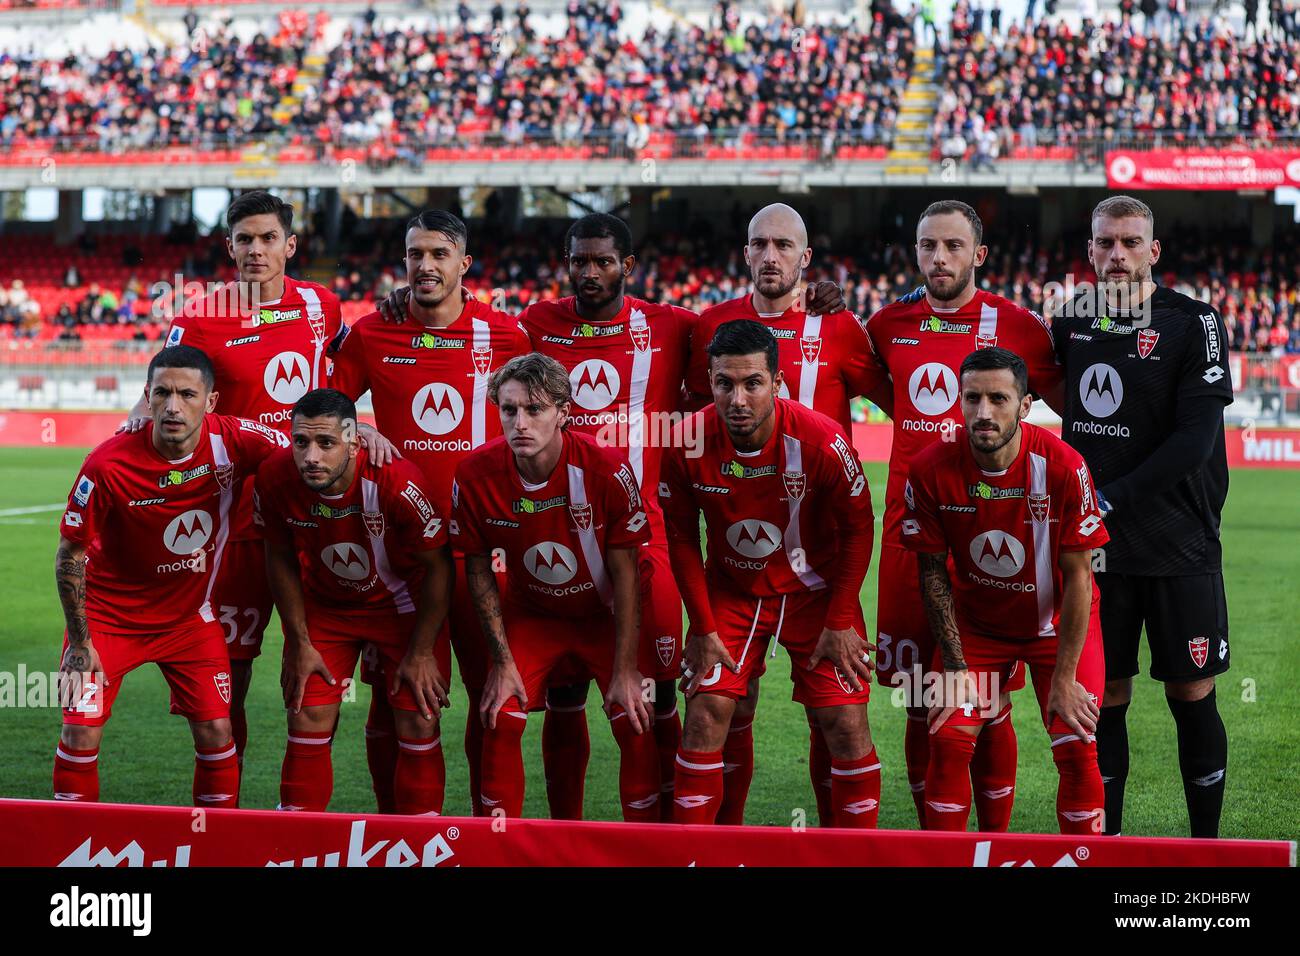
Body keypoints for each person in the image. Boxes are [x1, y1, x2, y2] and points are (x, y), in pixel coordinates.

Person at [120, 190, 347, 785]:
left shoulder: (323, 305)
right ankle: (221, 824)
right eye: (243, 239)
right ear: (228, 247)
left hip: (317, 516)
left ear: (290, 245)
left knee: (319, 681)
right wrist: (129, 437)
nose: (255, 249)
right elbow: (156, 393)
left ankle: (299, 821)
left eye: (268, 238)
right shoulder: (199, 316)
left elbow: (342, 381)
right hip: (239, 523)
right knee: (230, 684)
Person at [683, 203, 891, 825]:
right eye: (758, 244)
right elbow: (696, 420)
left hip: (819, 563)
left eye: (783, 246)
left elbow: (902, 396)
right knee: (723, 708)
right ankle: (715, 845)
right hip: (738, 562)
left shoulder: (841, 325)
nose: (769, 256)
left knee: (835, 715)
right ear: (745, 253)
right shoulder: (710, 327)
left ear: (805, 258)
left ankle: (840, 852)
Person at [863, 199, 1064, 829]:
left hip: (986, 543)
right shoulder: (885, 325)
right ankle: (937, 844)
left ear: (978, 254)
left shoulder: (1020, 327)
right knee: (925, 702)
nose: (939, 258)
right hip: (909, 540)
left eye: (953, 246)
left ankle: (994, 841)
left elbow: (1071, 406)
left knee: (988, 697)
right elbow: (868, 389)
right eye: (928, 246)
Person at [330, 210, 530, 815]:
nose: (426, 265)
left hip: (485, 553)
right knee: (403, 701)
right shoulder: (371, 334)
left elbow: (544, 415)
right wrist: (361, 429)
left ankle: (488, 838)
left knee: (494, 702)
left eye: (440, 254)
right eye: (415, 254)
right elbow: (325, 415)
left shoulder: (508, 338)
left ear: (464, 264)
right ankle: (403, 837)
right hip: (403, 558)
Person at [1051, 195, 1233, 838]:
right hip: (1099, 553)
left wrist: (1109, 497)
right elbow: (1002, 350)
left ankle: (1205, 847)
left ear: (1153, 252)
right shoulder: (1069, 322)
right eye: (1106, 243)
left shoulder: (1195, 322)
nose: (1117, 255)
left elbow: (1195, 443)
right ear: (1091, 250)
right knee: (1108, 700)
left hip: (1182, 542)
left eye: (1130, 242)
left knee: (1191, 697)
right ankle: (1109, 846)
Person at [53, 346, 289, 806]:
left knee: (218, 729)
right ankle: (73, 852)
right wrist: (81, 644)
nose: (174, 406)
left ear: (211, 401)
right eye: (162, 393)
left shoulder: (235, 440)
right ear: (147, 397)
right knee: (78, 733)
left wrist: (356, 429)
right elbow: (69, 556)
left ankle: (212, 847)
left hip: (188, 621)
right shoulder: (107, 465)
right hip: (108, 621)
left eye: (187, 394)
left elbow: (304, 450)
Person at [903, 347, 1107, 834]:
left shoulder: (1063, 465)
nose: (983, 412)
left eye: (998, 398)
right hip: (978, 629)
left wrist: (1064, 677)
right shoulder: (931, 468)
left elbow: (1081, 577)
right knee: (948, 738)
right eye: (972, 398)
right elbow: (932, 572)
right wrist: (954, 668)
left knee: (1075, 743)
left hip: (1056, 627)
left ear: (1026, 404)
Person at [451, 353, 660, 820]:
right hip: (535, 615)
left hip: (603, 616)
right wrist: (502, 662)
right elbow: (478, 567)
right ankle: (498, 849)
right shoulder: (473, 474)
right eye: (509, 410)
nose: (520, 422)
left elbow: (628, 570)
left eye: (535, 409)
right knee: (499, 713)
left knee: (635, 716)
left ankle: (647, 847)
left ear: (563, 413)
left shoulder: (607, 469)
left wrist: (626, 668)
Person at [256, 389, 453, 814]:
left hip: (402, 608)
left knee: (419, 717)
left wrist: (421, 653)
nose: (311, 456)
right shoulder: (274, 478)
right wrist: (299, 641)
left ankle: (420, 846)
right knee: (305, 713)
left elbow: (438, 568)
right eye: (301, 442)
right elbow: (279, 556)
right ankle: (297, 847)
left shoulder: (398, 482)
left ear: (354, 441)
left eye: (326, 443)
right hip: (327, 610)